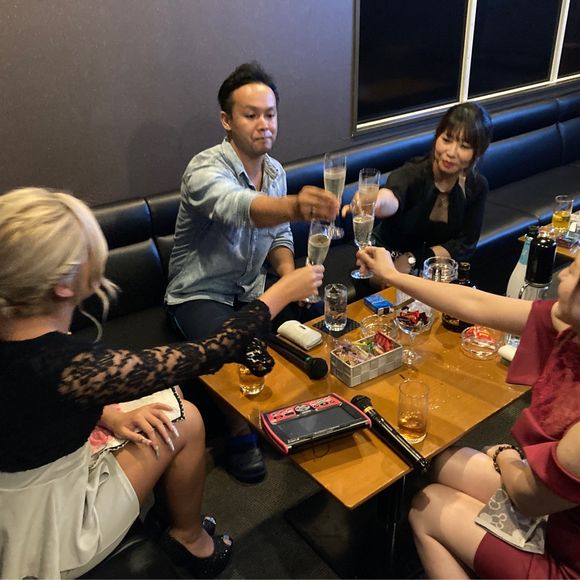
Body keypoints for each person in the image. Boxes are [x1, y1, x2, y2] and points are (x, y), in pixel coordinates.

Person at [0, 187, 324, 579]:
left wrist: (111, 415)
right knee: (187, 421)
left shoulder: (27, 343)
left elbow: (38, 401)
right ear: (63, 286)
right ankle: (189, 538)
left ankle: (175, 520)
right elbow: (214, 351)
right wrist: (282, 291)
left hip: (19, 493)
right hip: (49, 532)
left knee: (170, 404)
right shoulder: (67, 366)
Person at [357, 245, 580, 578]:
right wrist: (393, 275)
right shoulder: (570, 324)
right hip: (562, 509)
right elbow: (476, 304)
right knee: (442, 462)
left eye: (574, 271)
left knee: (426, 508)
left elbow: (528, 499)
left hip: (567, 555)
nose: (562, 274)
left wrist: (506, 455)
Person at [165, 61, 339, 483]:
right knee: (235, 345)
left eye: (270, 114)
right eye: (251, 115)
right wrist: (296, 206)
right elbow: (240, 208)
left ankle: (297, 409)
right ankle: (238, 430)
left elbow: (279, 234)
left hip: (251, 288)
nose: (264, 124)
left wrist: (288, 277)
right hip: (199, 292)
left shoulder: (275, 171)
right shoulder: (204, 169)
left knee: (314, 325)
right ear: (227, 120)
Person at [348, 102, 492, 274]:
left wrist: (413, 258)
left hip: (431, 267)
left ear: (478, 152)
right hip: (386, 257)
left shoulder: (476, 186)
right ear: (437, 137)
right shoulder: (413, 173)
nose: (451, 152)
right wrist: (374, 202)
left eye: (464, 146)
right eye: (446, 140)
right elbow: (392, 196)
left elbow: (464, 245)